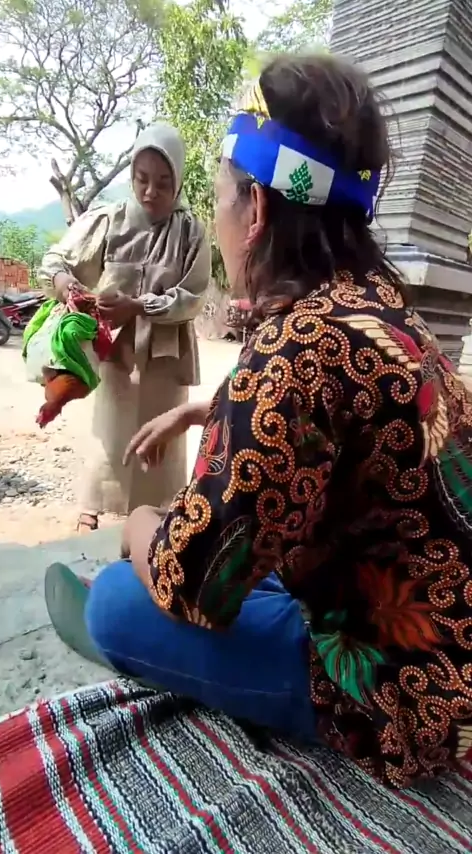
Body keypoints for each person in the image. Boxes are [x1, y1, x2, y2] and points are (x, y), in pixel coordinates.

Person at [45, 53, 472, 789]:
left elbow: (191, 586)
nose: (216, 218)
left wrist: (140, 523)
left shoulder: (291, 353)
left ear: (259, 211)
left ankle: (141, 635)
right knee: (244, 550)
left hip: (404, 698)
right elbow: (352, 415)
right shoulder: (383, 306)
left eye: (220, 196)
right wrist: (217, 407)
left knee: (121, 596)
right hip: (452, 641)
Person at [39, 123, 211, 532]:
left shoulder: (190, 231)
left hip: (167, 355)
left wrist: (137, 306)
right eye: (142, 179)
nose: (151, 191)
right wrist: (67, 286)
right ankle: (94, 507)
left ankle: (157, 515)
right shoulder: (109, 220)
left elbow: (193, 297)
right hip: (116, 351)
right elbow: (55, 261)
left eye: (164, 182)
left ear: (178, 180)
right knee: (111, 431)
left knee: (162, 436)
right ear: (131, 175)